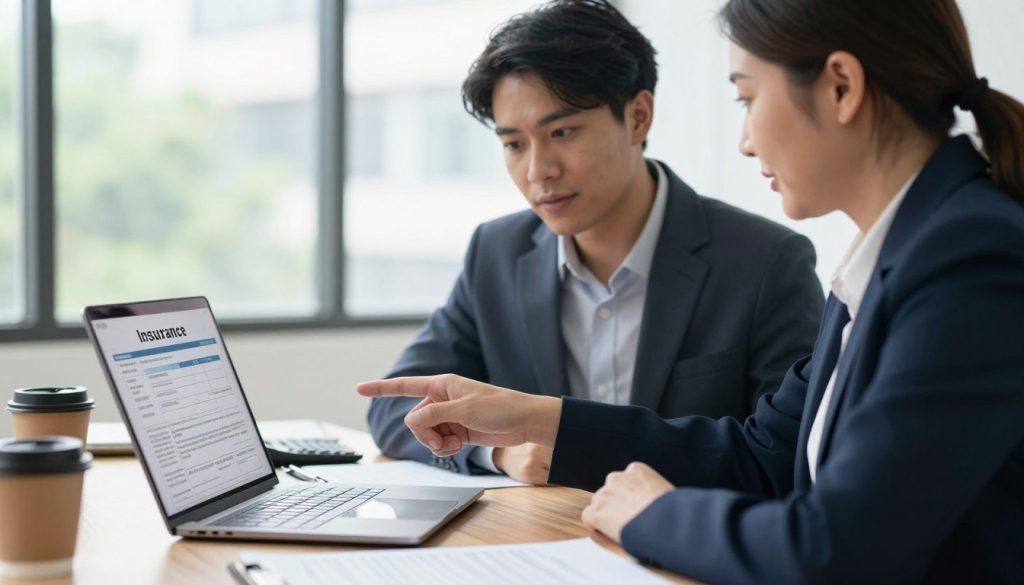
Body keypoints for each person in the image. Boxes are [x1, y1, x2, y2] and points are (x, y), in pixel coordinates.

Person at [357, 0, 1024, 582]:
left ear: (841, 87)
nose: (742, 139)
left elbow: (838, 546)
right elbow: (763, 454)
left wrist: (656, 513)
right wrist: (538, 420)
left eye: (746, 97)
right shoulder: (895, 255)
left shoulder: (969, 258)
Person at [367, 0, 824, 484]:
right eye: (514, 144)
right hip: (543, 539)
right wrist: (501, 454)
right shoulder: (497, 253)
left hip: (686, 544)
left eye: (561, 132)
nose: (539, 170)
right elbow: (398, 403)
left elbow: (793, 455)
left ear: (639, 117)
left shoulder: (764, 261)